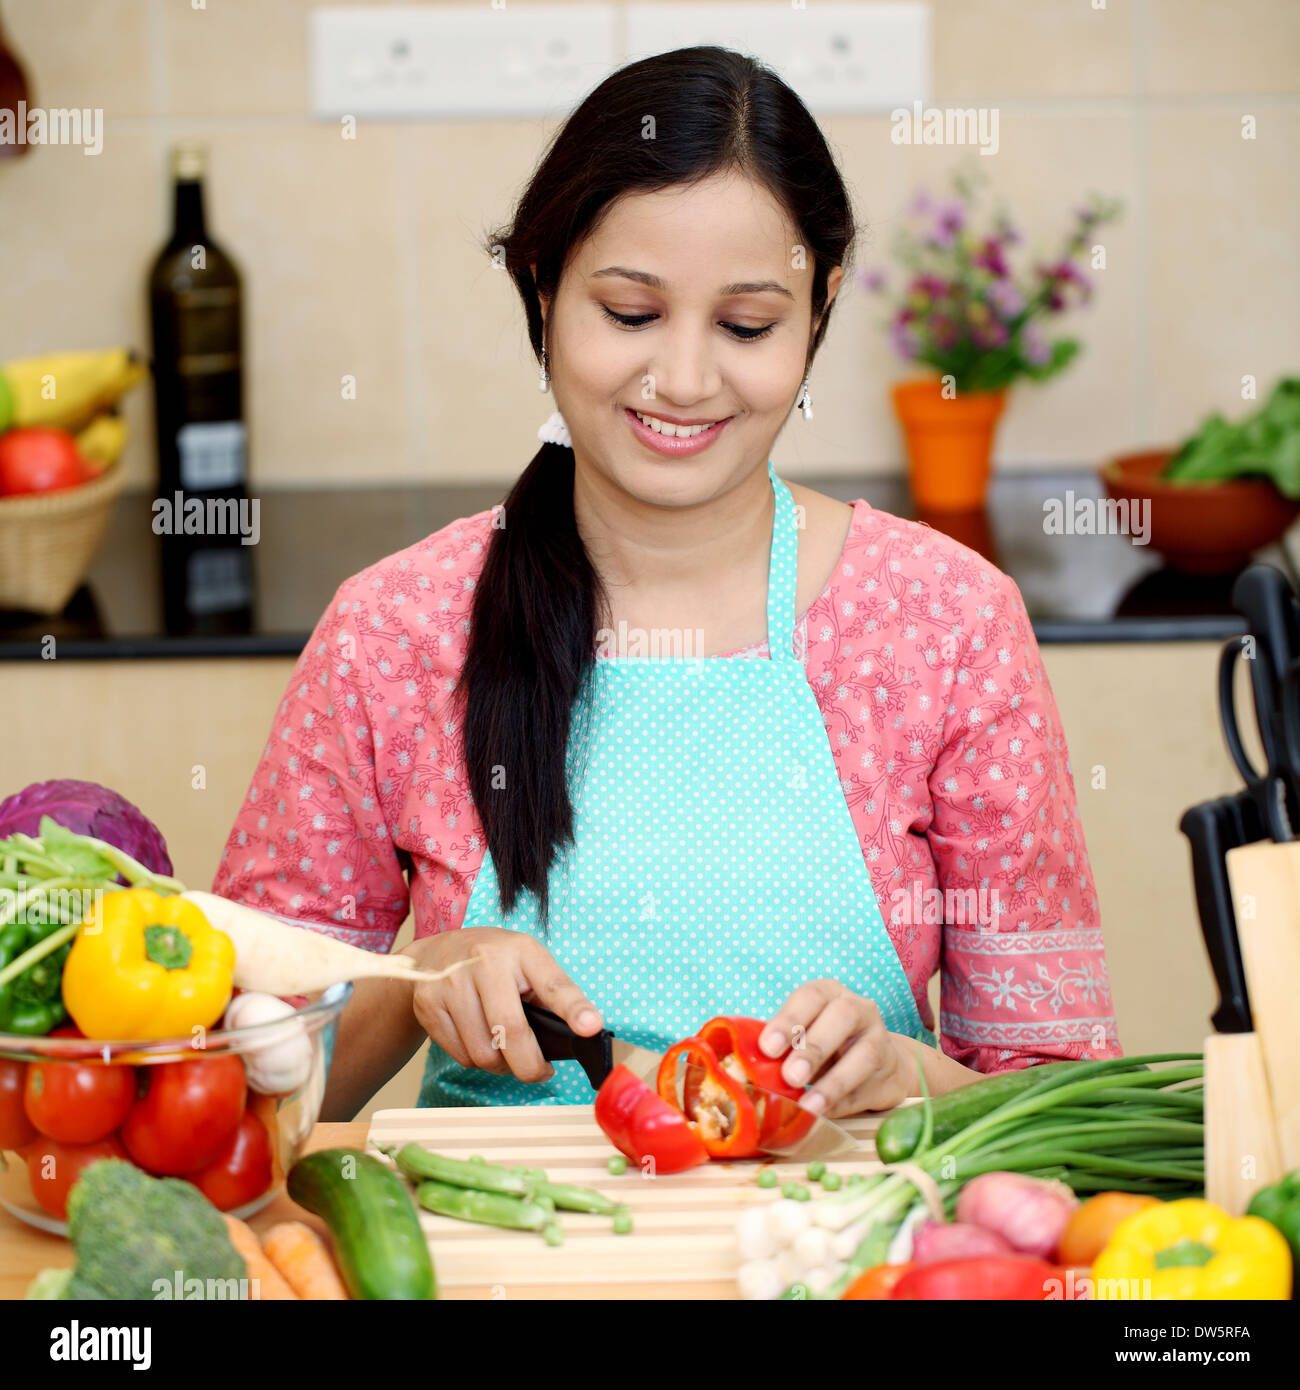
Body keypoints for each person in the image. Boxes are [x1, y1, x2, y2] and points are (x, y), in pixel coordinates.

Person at [212, 46, 1120, 1123]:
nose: (684, 380)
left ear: (819, 309)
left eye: (746, 326)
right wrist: (419, 982)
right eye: (631, 314)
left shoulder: (947, 624)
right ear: (542, 287)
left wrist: (910, 1078)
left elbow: (1063, 1111)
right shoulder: (395, 632)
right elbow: (233, 1089)